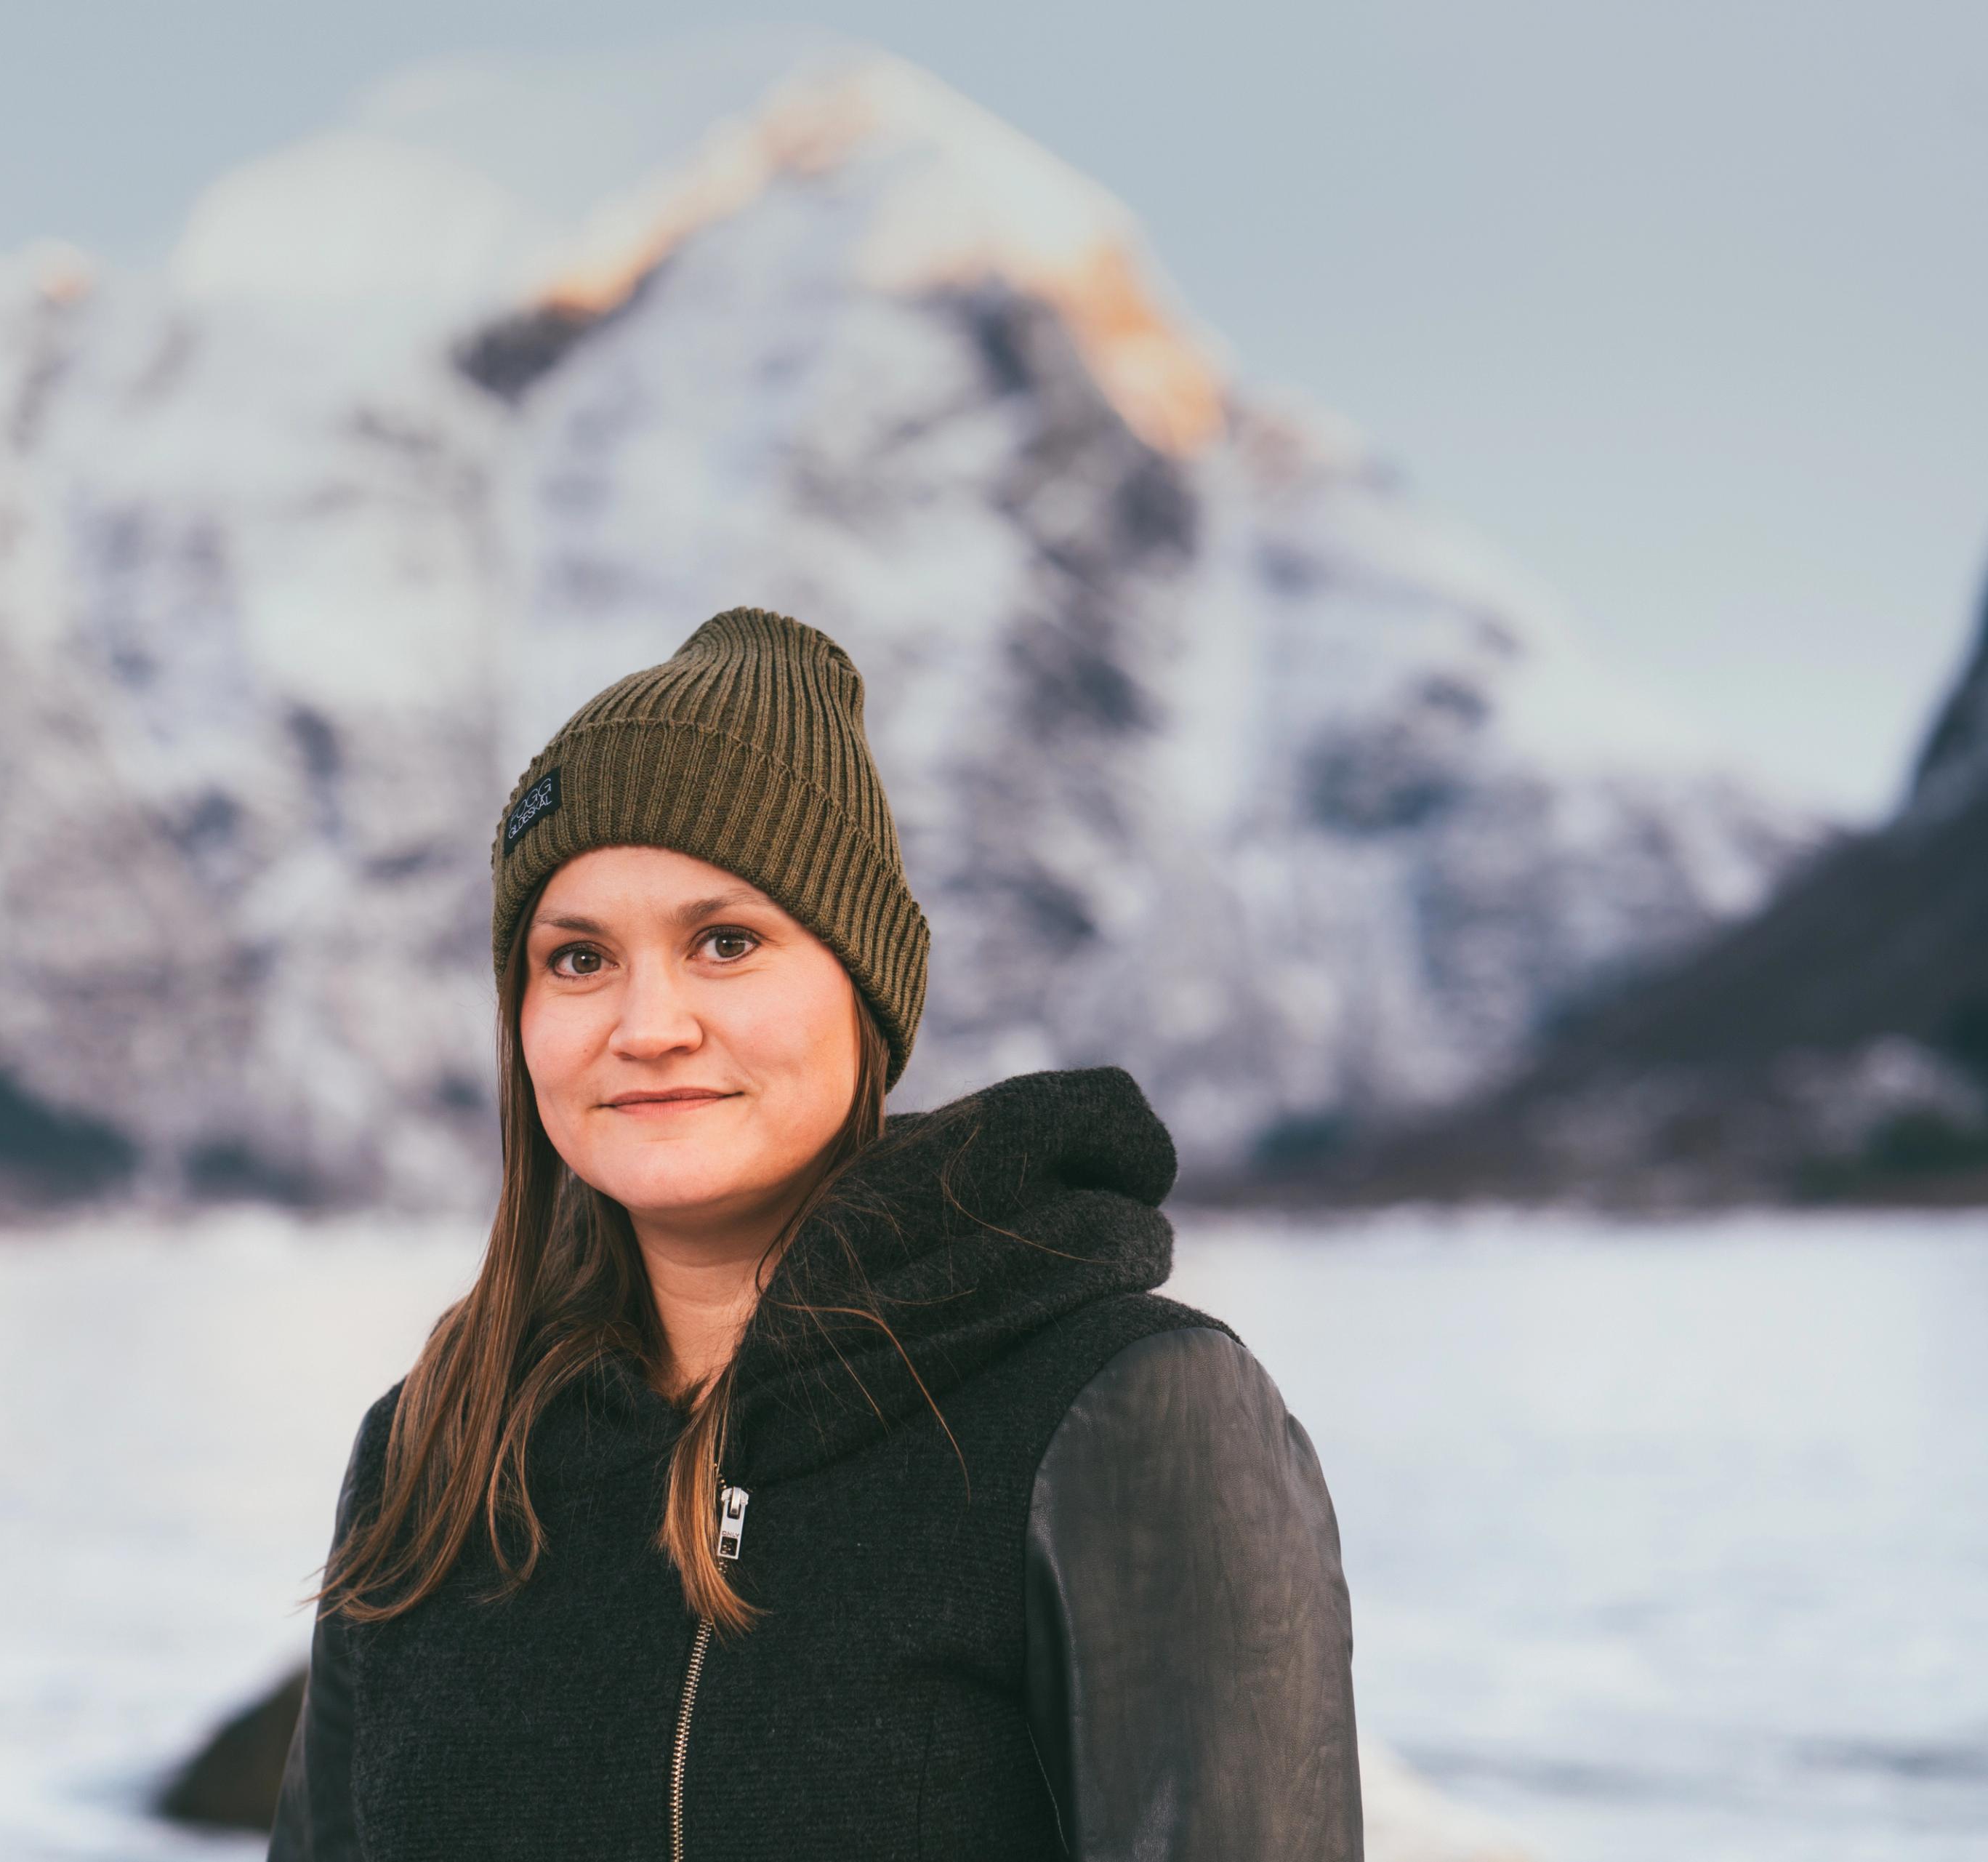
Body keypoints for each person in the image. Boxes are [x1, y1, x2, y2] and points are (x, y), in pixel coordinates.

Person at [270, 608, 1362, 1860]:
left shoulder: (1126, 1411)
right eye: (577, 959)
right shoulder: (435, 1446)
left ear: (863, 991)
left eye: (725, 942)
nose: (648, 1022)